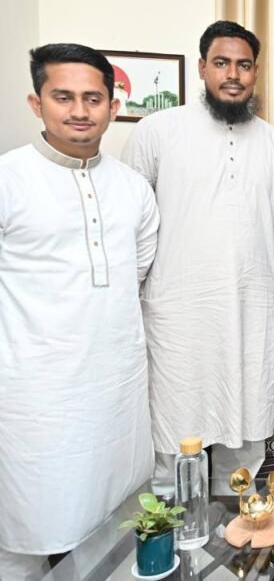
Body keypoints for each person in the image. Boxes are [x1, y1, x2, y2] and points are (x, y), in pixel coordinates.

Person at [0, 44, 159, 580]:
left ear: (113, 107)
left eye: (93, 98)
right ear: (36, 103)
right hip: (34, 393)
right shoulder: (8, 179)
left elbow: (137, 269)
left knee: (116, 513)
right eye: (62, 97)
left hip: (116, 383)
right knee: (24, 522)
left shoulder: (133, 189)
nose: (79, 111)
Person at [121, 20, 274, 497]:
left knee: (246, 417)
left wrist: (245, 263)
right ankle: (175, 522)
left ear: (256, 72)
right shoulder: (158, 131)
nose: (233, 74)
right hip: (177, 310)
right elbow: (130, 217)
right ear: (202, 67)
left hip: (249, 305)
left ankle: (237, 519)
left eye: (244, 65)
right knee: (176, 421)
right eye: (222, 63)